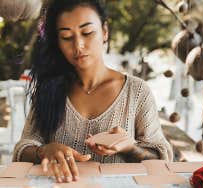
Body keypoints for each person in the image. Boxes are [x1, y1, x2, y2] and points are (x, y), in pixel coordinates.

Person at [13, 0, 173, 183]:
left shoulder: (136, 92)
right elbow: (22, 149)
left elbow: (161, 160)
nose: (78, 45)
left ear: (105, 32)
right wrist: (43, 151)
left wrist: (130, 147)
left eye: (87, 32)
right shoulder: (49, 89)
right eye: (66, 37)